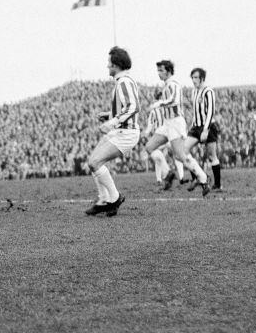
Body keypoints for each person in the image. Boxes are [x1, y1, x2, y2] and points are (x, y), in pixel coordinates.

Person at [84, 46, 140, 216]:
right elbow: (125, 107)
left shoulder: (124, 82)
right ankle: (104, 200)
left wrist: (113, 121)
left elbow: (133, 107)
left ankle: (113, 198)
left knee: (95, 162)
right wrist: (109, 115)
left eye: (109, 63)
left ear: (116, 65)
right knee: (93, 162)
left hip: (126, 132)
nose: (107, 66)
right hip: (121, 131)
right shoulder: (121, 82)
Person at [144, 59, 209, 196]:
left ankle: (202, 178)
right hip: (167, 123)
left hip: (175, 123)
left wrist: (158, 104)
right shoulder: (166, 85)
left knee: (181, 156)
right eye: (158, 70)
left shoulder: (174, 84)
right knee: (149, 147)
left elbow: (174, 101)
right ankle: (168, 173)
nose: (159, 73)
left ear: (168, 71)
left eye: (161, 70)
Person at [184, 67, 222, 191]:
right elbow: (195, 111)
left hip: (208, 126)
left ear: (202, 78)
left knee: (212, 156)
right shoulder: (194, 91)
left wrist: (206, 130)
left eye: (196, 78)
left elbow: (210, 111)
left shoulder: (208, 91)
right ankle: (198, 177)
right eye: (192, 78)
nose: (194, 80)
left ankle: (217, 184)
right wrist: (192, 125)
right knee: (183, 151)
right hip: (196, 127)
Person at [142, 104, 184, 188]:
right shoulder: (167, 108)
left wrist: (145, 134)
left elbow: (150, 126)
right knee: (177, 155)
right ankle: (181, 176)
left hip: (160, 136)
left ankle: (162, 177)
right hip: (170, 136)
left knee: (156, 155)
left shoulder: (153, 111)